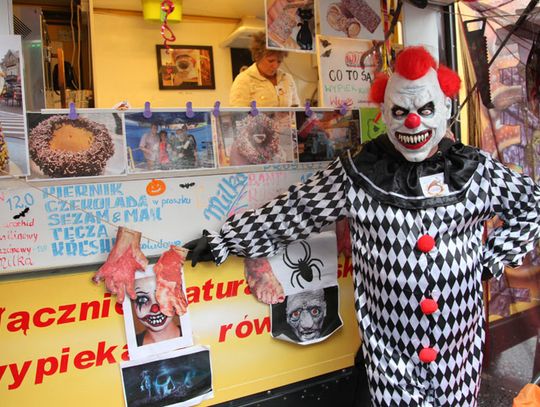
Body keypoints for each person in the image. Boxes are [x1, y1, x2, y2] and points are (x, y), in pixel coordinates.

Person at [185, 46, 540, 406]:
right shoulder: (359, 171)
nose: (413, 122)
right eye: (401, 112)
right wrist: (226, 240)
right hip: (391, 350)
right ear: (385, 112)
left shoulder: (473, 169)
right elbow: (297, 208)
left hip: (457, 345)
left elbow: (532, 205)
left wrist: (491, 258)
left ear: (446, 109)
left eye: (425, 110)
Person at [229, 31, 300, 108]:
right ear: (257, 57)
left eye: (279, 61)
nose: (275, 66)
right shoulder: (243, 80)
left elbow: (296, 110)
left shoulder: (287, 79)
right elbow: (238, 116)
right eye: (270, 61)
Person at [133, 275, 182, 346]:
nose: (155, 309)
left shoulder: (196, 335)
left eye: (163, 295)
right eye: (142, 300)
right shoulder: (127, 348)